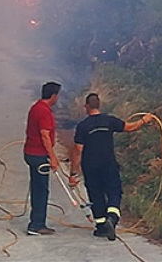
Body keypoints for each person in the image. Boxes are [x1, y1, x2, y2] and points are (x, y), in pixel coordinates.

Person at [69, 93, 154, 241]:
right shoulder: (109, 121)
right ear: (99, 105)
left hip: (90, 167)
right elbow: (129, 127)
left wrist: (73, 174)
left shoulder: (83, 126)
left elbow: (77, 151)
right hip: (108, 164)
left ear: (86, 107)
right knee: (114, 190)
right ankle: (112, 219)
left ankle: (101, 227)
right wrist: (144, 120)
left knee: (96, 195)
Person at [23, 81, 61, 235]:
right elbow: (45, 135)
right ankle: (37, 224)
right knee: (41, 190)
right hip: (39, 155)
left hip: (30, 153)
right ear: (53, 96)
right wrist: (53, 157)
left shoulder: (36, 108)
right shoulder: (44, 112)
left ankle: (37, 221)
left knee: (37, 187)